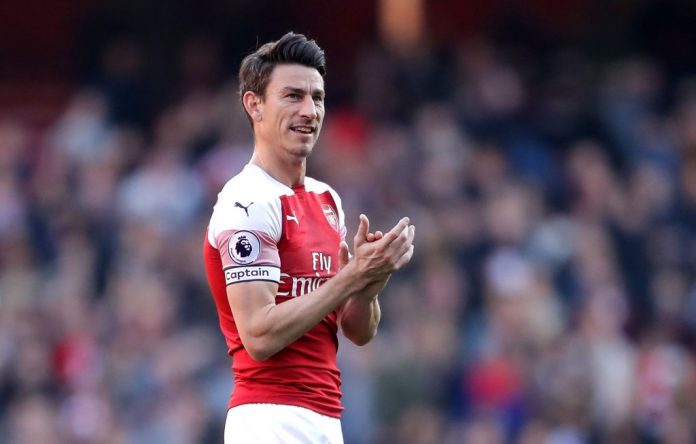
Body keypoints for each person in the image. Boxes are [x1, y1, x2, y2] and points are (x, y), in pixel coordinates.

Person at [203, 32, 416, 443]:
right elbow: (259, 336)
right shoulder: (247, 200)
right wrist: (351, 278)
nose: (309, 110)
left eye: (316, 98)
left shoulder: (326, 199)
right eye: (292, 96)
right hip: (269, 418)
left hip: (324, 417)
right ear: (254, 105)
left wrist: (371, 281)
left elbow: (357, 331)